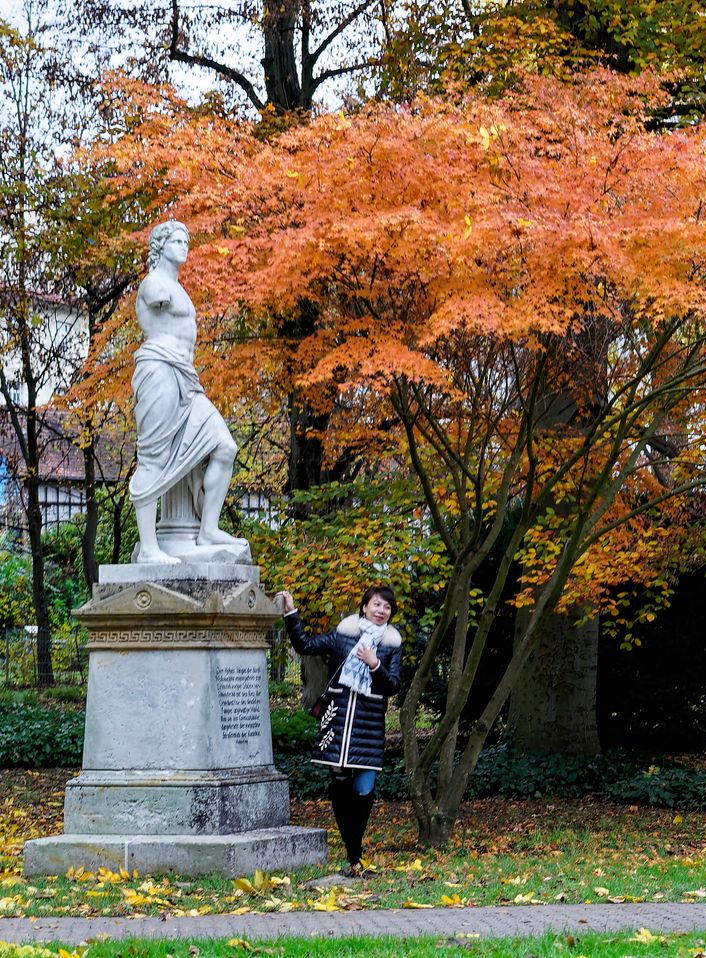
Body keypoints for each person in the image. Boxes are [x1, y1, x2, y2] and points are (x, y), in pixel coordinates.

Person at [129, 220, 247, 564]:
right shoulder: (154, 284)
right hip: (159, 372)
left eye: (187, 241)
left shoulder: (179, 288)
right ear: (160, 245)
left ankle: (208, 528)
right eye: (177, 240)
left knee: (225, 446)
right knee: (154, 458)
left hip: (187, 379)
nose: (185, 246)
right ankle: (150, 548)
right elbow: (154, 298)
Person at [275, 585, 403, 878]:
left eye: (387, 607)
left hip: (369, 728)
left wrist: (375, 665)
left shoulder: (392, 645)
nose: (381, 610)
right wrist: (291, 613)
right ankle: (354, 856)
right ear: (364, 606)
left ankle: (354, 851)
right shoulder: (343, 636)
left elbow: (393, 685)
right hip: (338, 722)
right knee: (340, 786)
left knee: (364, 789)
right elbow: (304, 645)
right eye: (377, 604)